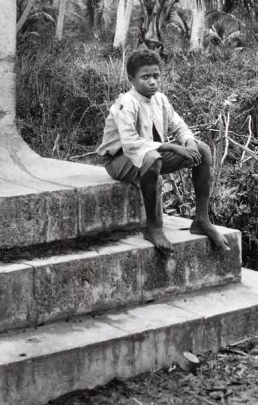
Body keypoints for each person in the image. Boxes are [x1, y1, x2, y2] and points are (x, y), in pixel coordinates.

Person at [98, 50, 230, 254]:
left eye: (156, 76)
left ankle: (201, 220)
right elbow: (131, 143)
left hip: (152, 157)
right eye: (145, 77)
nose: (152, 82)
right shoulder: (126, 103)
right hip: (119, 160)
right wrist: (171, 146)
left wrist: (189, 142)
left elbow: (179, 127)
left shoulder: (160, 100)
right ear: (131, 79)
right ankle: (153, 227)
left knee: (202, 150)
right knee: (152, 157)